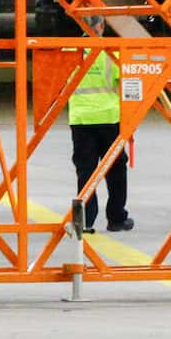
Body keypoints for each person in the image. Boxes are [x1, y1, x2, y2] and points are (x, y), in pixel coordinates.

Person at [67, 44, 134, 233]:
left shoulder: (70, 51)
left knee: (85, 170)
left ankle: (86, 220)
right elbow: (124, 85)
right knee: (116, 169)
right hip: (109, 118)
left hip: (80, 118)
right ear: (101, 26)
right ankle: (116, 218)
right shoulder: (112, 52)